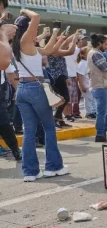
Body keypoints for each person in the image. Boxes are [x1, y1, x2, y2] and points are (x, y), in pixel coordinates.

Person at [13, 10, 68, 181]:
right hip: (35, 88)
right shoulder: (24, 41)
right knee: (49, 127)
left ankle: (30, 171)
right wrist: (24, 11)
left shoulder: (22, 46)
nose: (36, 31)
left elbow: (49, 50)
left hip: (22, 89)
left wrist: (57, 32)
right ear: (27, 29)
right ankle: (53, 166)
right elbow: (35, 17)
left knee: (29, 130)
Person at [46, 31, 78, 128]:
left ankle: (58, 118)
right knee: (59, 99)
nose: (59, 42)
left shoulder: (57, 49)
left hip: (61, 77)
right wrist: (74, 39)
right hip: (54, 78)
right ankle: (55, 118)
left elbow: (65, 42)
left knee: (66, 98)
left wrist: (74, 34)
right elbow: (70, 51)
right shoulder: (51, 50)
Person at [64, 34, 84, 121]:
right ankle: (67, 115)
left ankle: (70, 114)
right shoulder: (67, 51)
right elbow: (68, 43)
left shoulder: (74, 51)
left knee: (71, 98)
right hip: (68, 76)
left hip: (73, 76)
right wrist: (74, 37)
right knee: (68, 98)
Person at [76, 47, 95, 120]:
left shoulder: (88, 62)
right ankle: (89, 112)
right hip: (85, 84)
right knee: (88, 99)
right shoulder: (82, 64)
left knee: (93, 99)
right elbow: (79, 75)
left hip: (90, 84)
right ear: (82, 55)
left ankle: (93, 111)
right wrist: (82, 85)